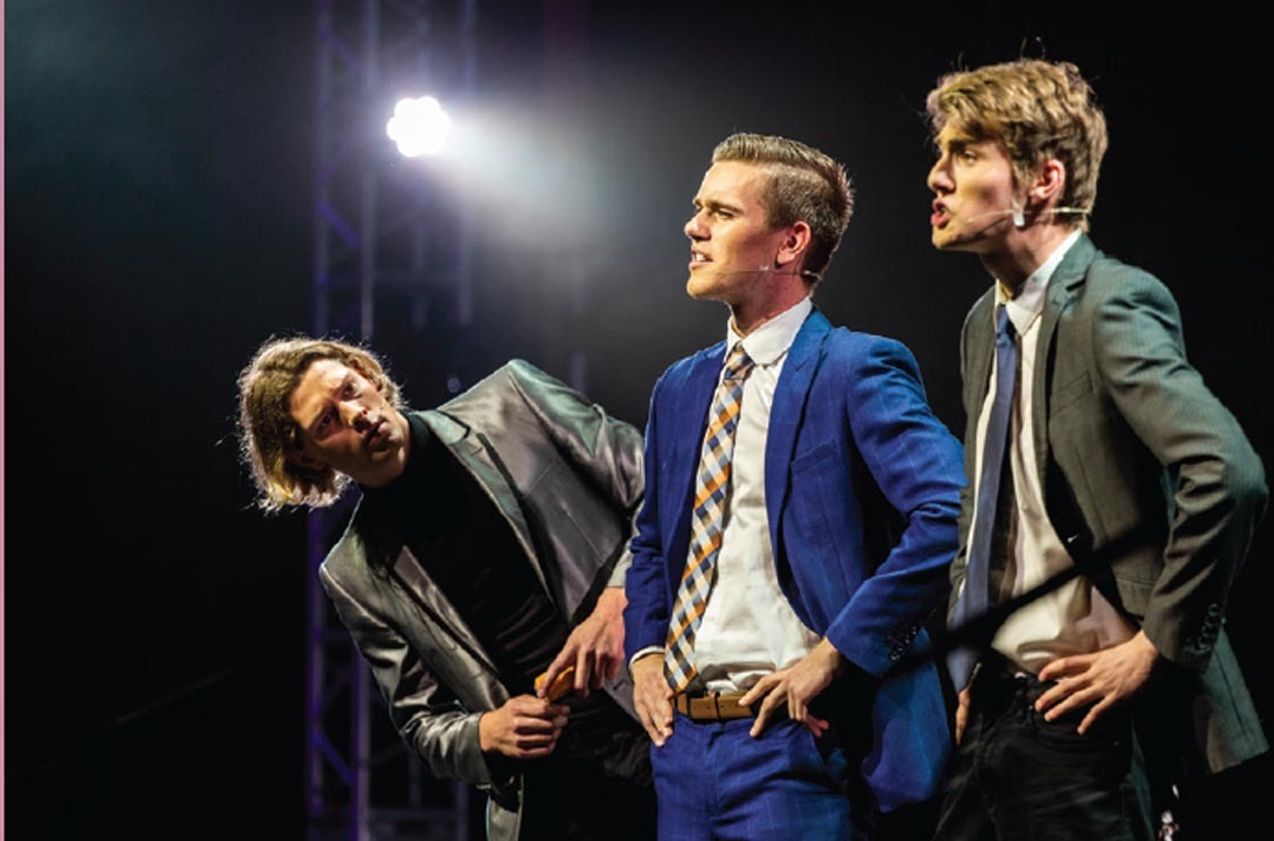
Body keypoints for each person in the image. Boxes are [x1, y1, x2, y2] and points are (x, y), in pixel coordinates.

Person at [925, 59, 1268, 840]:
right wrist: (970, 659)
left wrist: (1155, 646)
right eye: (941, 154)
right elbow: (987, 504)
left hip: (1085, 728)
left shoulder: (1109, 302)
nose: (936, 177)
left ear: (1043, 181)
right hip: (992, 714)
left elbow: (1228, 471)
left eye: (966, 154)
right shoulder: (983, 322)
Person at [623, 133, 966, 839]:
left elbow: (952, 509)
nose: (693, 227)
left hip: (796, 743)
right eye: (698, 207)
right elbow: (652, 542)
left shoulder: (854, 368)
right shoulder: (679, 388)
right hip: (680, 749)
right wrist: (646, 653)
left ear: (789, 243)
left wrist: (836, 654)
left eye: (721, 212)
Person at [237, 338, 655, 840]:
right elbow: (421, 723)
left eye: (349, 389)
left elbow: (659, 492)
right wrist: (484, 734)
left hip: (665, 716)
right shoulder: (352, 574)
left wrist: (619, 602)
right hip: (559, 801)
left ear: (365, 373)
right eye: (327, 422)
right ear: (306, 458)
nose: (357, 414)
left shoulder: (512, 399)